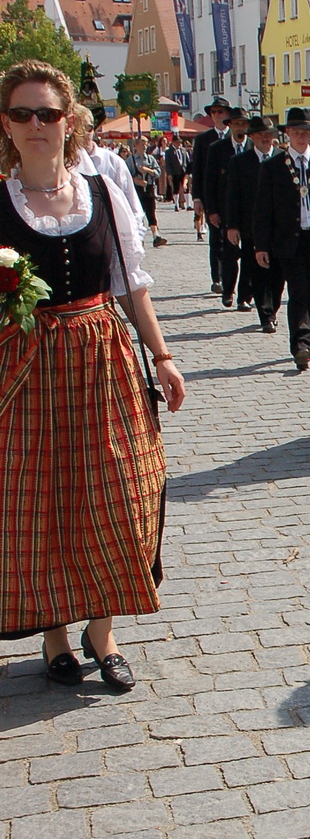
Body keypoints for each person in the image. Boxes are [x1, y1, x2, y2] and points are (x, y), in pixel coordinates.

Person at [0, 60, 185, 689]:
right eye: (22, 113)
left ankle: (101, 631)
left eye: (47, 113)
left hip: (102, 360)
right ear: (6, 124)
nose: (36, 124)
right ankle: (55, 632)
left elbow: (132, 285)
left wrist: (163, 357)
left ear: (69, 120)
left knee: (119, 488)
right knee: (43, 495)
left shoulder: (102, 191)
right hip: (27, 367)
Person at [253, 107, 310, 372]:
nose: (301, 136)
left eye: (305, 132)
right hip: (287, 240)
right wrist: (261, 245)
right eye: (296, 132)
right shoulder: (273, 167)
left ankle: (308, 339)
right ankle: (301, 344)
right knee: (297, 291)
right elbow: (262, 208)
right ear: (287, 134)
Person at [225, 115, 282, 333]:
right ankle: (265, 314)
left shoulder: (282, 158)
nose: (265, 138)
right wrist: (232, 226)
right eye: (261, 135)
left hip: (279, 227)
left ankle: (273, 307)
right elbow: (233, 196)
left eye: (269, 135)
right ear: (253, 137)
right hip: (252, 227)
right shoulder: (240, 162)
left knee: (278, 274)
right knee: (257, 271)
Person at [204, 107, 248, 306]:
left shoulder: (252, 147)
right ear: (230, 126)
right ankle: (228, 290)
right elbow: (210, 182)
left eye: (243, 124)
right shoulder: (217, 149)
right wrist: (212, 210)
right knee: (229, 253)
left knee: (249, 255)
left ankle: (245, 296)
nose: (240, 128)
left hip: (250, 210)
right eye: (237, 124)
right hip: (226, 209)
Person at [190, 96, 231, 290]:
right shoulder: (203, 140)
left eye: (220, 111)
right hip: (212, 196)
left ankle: (232, 277)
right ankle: (218, 277)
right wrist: (197, 197)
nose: (216, 115)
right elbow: (197, 170)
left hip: (234, 196)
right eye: (213, 112)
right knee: (216, 238)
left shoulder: (236, 137)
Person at [124, 136, 167, 249]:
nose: (145, 146)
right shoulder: (130, 160)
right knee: (138, 214)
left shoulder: (150, 159)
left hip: (149, 189)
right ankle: (139, 238)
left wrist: (149, 170)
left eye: (146, 144)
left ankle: (156, 236)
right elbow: (125, 176)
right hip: (136, 190)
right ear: (136, 145)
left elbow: (158, 172)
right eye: (142, 144)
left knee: (151, 212)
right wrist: (136, 181)